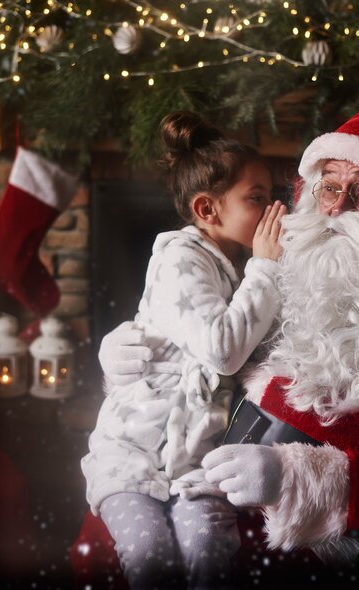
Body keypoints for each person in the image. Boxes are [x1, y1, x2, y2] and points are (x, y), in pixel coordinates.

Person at [93, 102, 359, 584]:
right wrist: (134, 356)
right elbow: (217, 338)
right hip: (203, 468)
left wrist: (300, 479)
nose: (336, 208)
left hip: (329, 532)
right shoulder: (307, 262)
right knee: (131, 529)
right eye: (329, 187)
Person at [80, 111, 287, 589]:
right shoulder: (180, 257)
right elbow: (224, 350)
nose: (273, 212)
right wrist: (265, 268)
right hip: (135, 453)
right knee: (150, 551)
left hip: (201, 458)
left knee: (208, 551)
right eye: (257, 199)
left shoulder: (241, 266)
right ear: (207, 210)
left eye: (273, 196)